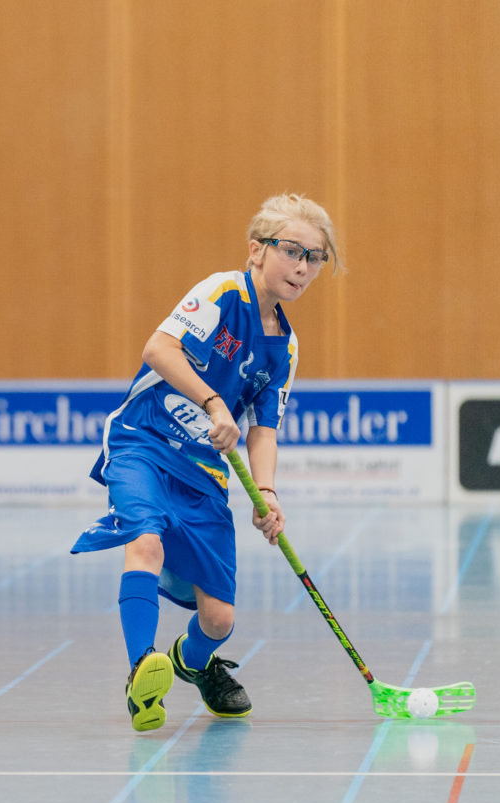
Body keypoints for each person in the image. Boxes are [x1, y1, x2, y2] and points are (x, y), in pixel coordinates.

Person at [72, 193, 341, 732]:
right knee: (145, 542)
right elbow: (158, 349)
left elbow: (264, 429)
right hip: (144, 441)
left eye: (315, 258)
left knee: (218, 619)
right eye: (292, 251)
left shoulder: (285, 348)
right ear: (257, 251)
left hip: (204, 473)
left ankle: (189, 662)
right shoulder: (221, 292)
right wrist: (214, 402)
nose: (303, 267)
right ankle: (142, 671)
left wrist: (267, 493)